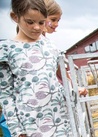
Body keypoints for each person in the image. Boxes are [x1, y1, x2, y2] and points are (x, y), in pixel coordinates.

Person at [0, 0, 85, 136]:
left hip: (60, 119)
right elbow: (6, 95)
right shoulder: (7, 50)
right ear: (15, 17)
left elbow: (56, 82)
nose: (37, 28)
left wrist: (73, 91)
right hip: (31, 123)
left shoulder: (50, 46)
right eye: (30, 22)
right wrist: (17, 130)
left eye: (41, 22)